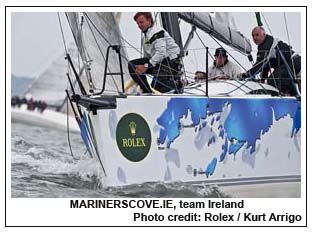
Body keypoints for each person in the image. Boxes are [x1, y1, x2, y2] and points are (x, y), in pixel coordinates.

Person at [128, 12, 182, 93]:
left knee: (157, 87)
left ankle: (180, 84)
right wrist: (142, 66)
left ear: (149, 20)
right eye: (138, 23)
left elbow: (161, 53)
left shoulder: (157, 31)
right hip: (156, 62)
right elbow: (147, 56)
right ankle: (147, 91)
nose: (139, 25)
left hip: (169, 62)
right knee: (132, 65)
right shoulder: (145, 37)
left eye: (141, 22)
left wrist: (146, 66)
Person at [241, 26, 301, 95]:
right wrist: (262, 80)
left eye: (257, 35)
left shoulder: (267, 45)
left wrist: (246, 75)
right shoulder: (264, 46)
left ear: (264, 34)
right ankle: (291, 93)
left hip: (294, 62)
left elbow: (260, 64)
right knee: (273, 79)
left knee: (273, 79)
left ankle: (294, 91)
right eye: (253, 36)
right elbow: (265, 66)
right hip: (291, 64)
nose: (255, 38)